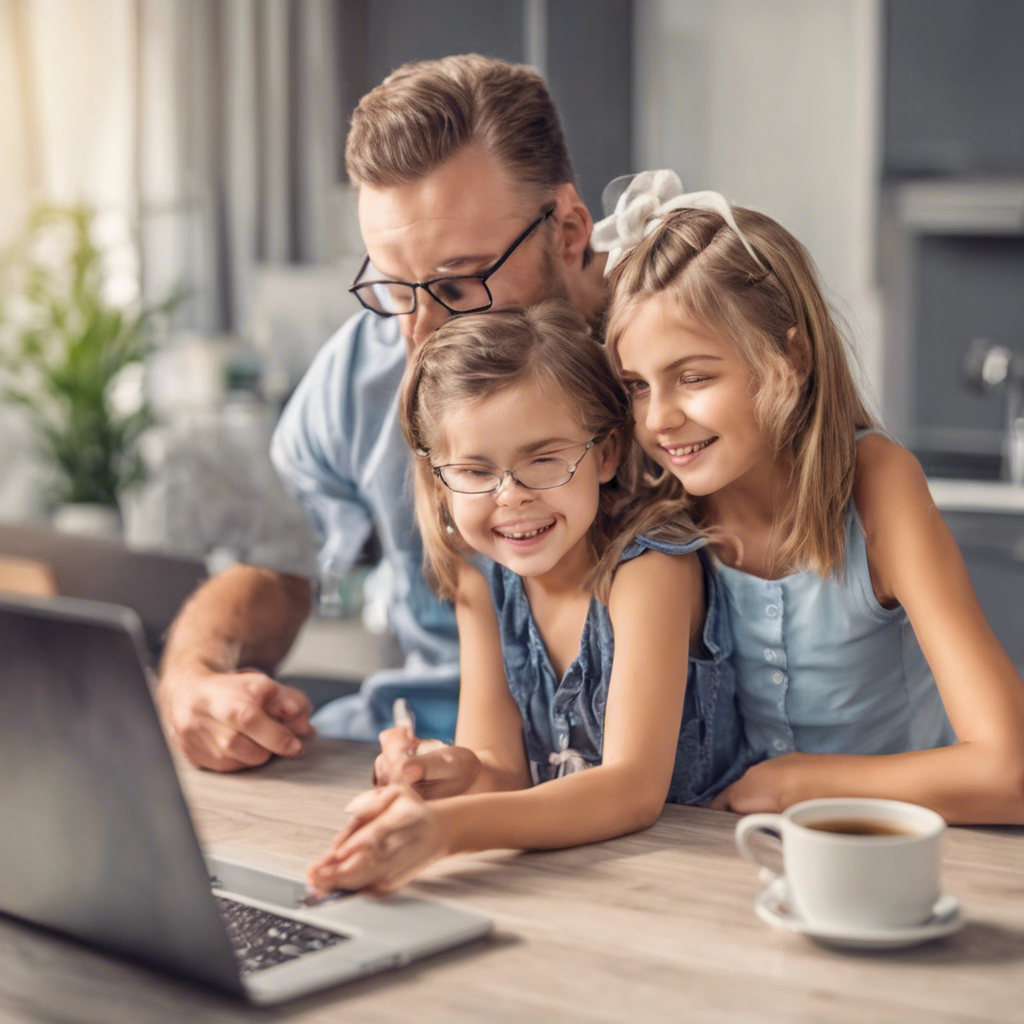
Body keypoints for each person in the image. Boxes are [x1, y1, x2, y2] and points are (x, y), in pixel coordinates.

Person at [157, 55, 609, 769]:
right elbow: (279, 564)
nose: (420, 334)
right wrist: (193, 679)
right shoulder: (363, 367)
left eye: (460, 286)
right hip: (412, 755)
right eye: (395, 289)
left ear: (570, 232)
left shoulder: (676, 368)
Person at [597, 171, 1024, 824]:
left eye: (694, 376)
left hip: (934, 846)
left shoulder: (878, 485)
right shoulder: (667, 519)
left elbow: (1008, 769)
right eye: (637, 385)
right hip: (756, 847)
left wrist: (801, 785)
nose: (659, 420)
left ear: (787, 359)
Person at [306, 301, 753, 894]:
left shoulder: (650, 569)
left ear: (606, 453)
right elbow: (502, 770)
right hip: (568, 877)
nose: (511, 496)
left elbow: (632, 789)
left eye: (543, 460)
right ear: (439, 481)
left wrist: (444, 828)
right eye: (473, 471)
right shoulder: (478, 579)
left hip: (692, 875)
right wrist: (448, 772)